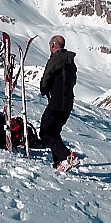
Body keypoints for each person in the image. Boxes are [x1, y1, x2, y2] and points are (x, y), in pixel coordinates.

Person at [39, 35, 78, 171]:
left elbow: (46, 78)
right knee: (54, 131)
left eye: (50, 44)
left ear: (54, 45)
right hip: (67, 103)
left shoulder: (56, 59)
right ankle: (59, 162)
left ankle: (66, 155)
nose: (49, 46)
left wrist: (44, 89)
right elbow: (73, 81)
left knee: (45, 132)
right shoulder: (70, 61)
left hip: (56, 102)